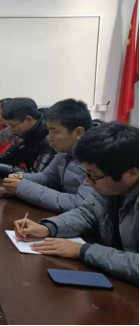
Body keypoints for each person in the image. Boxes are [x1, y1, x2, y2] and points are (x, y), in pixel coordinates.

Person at [14, 122, 138, 285]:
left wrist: (82, 250)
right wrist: (49, 227)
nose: (88, 181)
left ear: (132, 173)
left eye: (93, 175)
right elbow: (87, 213)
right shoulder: (109, 188)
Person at [1, 99, 96, 212]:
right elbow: (47, 177)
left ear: (78, 133)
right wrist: (21, 177)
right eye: (48, 131)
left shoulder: (96, 158)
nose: (49, 137)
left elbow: (79, 203)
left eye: (54, 131)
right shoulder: (65, 151)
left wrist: (23, 187)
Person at [0, 97, 55, 177]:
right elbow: (9, 156)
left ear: (28, 120)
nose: (11, 130)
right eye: (8, 126)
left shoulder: (50, 139)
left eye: (13, 126)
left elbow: (37, 174)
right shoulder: (21, 133)